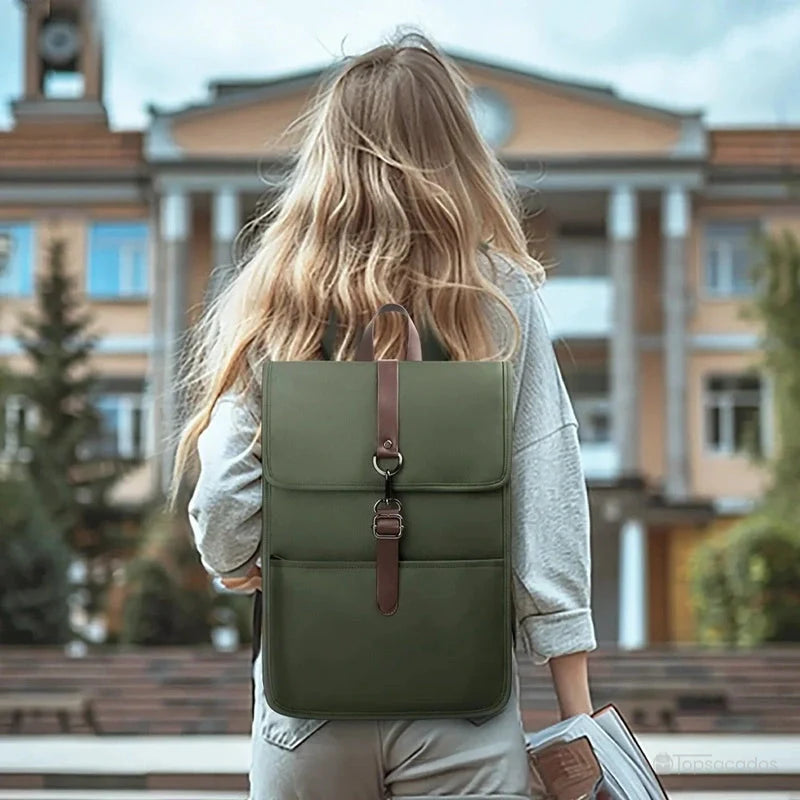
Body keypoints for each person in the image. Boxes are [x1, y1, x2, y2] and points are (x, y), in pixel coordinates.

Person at [169, 31, 596, 800]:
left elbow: (225, 506)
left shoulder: (274, 292)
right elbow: (548, 492)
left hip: (308, 703)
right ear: (457, 148)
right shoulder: (500, 294)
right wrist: (579, 720)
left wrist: (248, 562)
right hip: (460, 703)